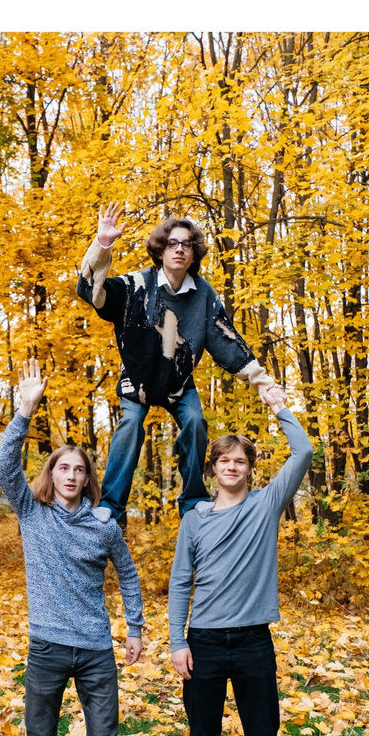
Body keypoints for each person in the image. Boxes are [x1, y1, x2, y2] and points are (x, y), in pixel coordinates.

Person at [0, 363, 150, 736]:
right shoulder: (30, 512)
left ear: (88, 479)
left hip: (94, 653)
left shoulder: (104, 527)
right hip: (45, 648)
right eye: (64, 468)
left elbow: (128, 575)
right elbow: (3, 467)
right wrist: (24, 412)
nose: (72, 475)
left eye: (80, 470)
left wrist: (135, 627)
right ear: (52, 474)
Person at [166, 390, 315, 736]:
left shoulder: (267, 504)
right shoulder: (194, 520)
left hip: (253, 642)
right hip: (204, 644)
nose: (232, 467)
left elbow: (305, 452)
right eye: (223, 461)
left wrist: (278, 406)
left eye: (240, 460)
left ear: (250, 468)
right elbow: (179, 583)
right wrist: (176, 641)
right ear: (212, 470)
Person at [78, 207, 272, 518]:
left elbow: (225, 339)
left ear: (194, 254)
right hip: (138, 380)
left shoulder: (203, 295)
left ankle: (193, 499)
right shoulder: (136, 285)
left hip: (178, 383)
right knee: (129, 425)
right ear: (160, 251)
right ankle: (111, 505)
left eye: (186, 244)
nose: (179, 249)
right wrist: (102, 245)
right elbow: (92, 293)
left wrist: (262, 381)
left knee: (195, 422)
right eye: (172, 243)